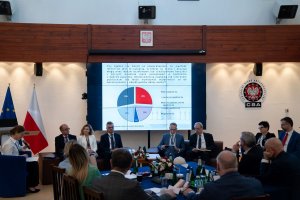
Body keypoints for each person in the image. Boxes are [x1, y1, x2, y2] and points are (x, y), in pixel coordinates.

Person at [92, 148, 174, 200]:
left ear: (111, 162)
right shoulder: (132, 185)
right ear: (130, 165)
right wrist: (168, 195)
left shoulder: (96, 181)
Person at [182, 150, 264, 200]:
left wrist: (190, 193)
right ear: (237, 165)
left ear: (217, 166)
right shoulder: (256, 184)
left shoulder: (211, 188)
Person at [1, 125, 40, 193]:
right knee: (33, 165)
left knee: (34, 163)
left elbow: (18, 148)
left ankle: (31, 185)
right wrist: (22, 157)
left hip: (18, 161)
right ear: (16, 132)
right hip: (13, 165)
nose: (22, 136)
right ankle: (30, 186)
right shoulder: (8, 144)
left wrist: (25, 147)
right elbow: (8, 159)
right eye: (21, 134)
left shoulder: (14, 141)